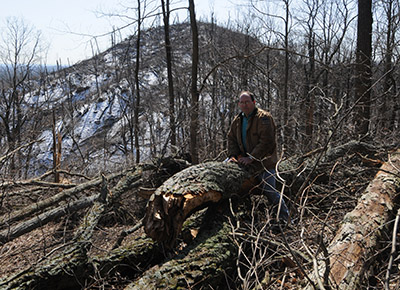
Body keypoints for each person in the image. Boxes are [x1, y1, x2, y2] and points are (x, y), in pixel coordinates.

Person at [227, 91, 289, 224]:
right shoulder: (238, 120)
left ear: (253, 103)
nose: (245, 105)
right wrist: (233, 156)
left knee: (270, 191)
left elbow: (267, 142)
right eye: (242, 102)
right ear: (239, 104)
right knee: (224, 178)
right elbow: (231, 138)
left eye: (247, 102)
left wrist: (252, 158)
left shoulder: (264, 118)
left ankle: (285, 219)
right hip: (243, 161)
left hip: (263, 163)